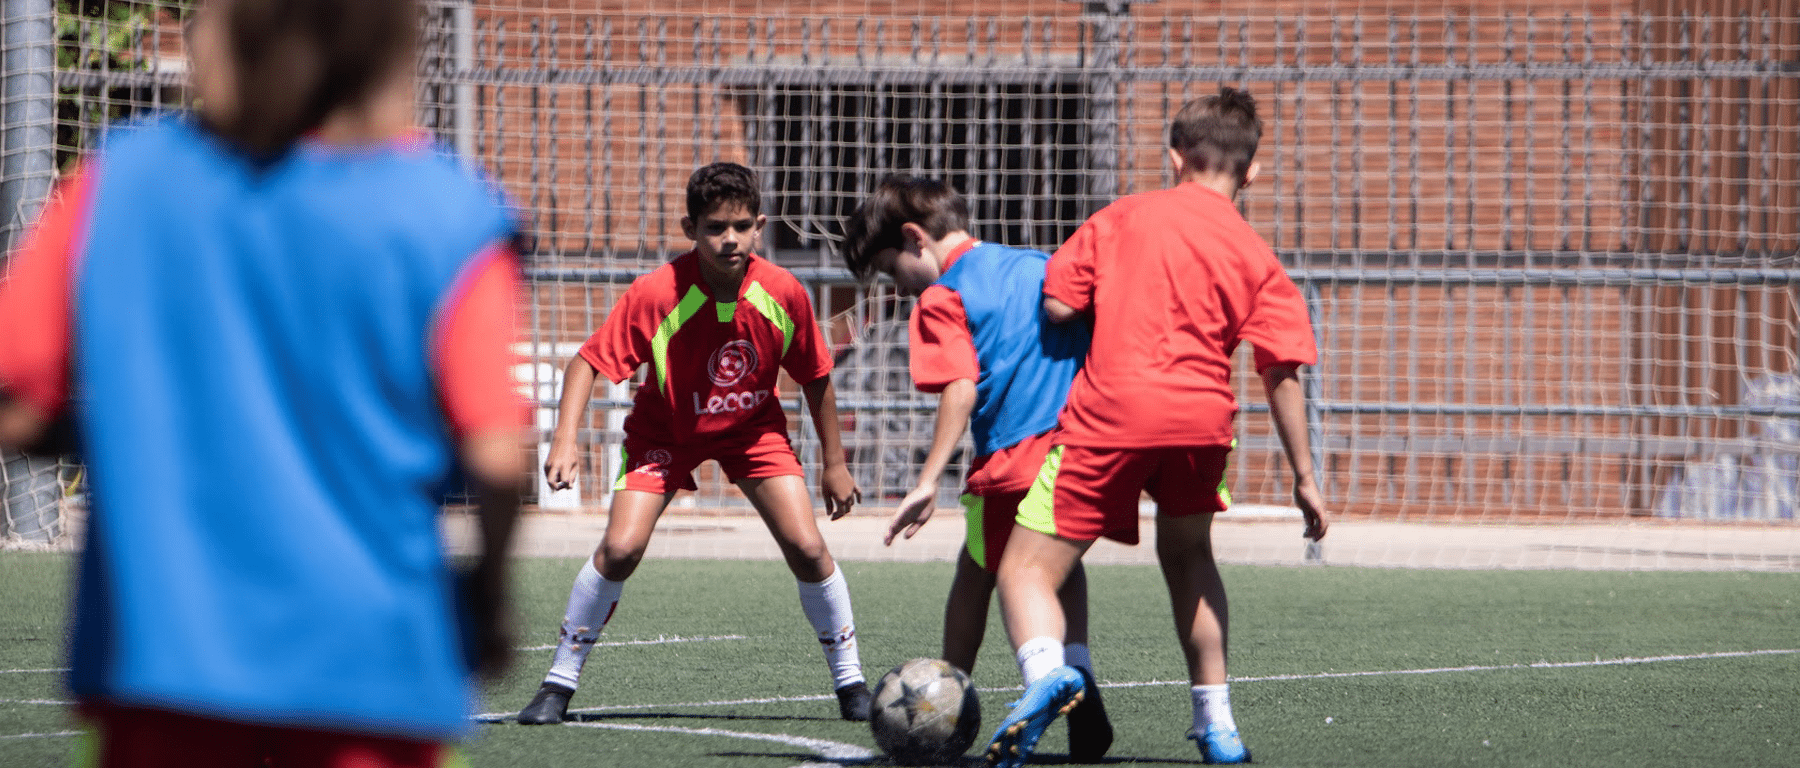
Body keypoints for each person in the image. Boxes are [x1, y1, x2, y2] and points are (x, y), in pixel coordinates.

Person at [0, 0, 527, 765]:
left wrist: (132, 429)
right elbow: (497, 451)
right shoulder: (445, 207)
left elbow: (14, 400)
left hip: (161, 660)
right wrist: (490, 594)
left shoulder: (122, 178)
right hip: (371, 667)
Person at [983, 87, 1330, 768]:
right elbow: (1281, 369)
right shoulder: (1255, 254)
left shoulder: (1121, 218)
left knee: (1024, 568)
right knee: (1191, 559)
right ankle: (1217, 726)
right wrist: (1306, 478)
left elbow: (1056, 303)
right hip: (1202, 422)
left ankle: (1048, 672)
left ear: (1175, 157)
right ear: (1252, 171)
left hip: (1111, 414)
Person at [516, 162, 871, 725]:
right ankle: (558, 684)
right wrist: (564, 440)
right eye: (713, 227)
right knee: (620, 550)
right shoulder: (656, 293)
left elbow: (816, 376)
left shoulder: (785, 293)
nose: (728, 239)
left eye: (739, 226)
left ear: (759, 225)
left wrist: (835, 463)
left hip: (754, 433)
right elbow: (585, 363)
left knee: (807, 548)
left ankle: (852, 684)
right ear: (690, 228)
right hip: (665, 433)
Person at [839, 175, 1112, 762]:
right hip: (1081, 450)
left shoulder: (944, 297)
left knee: (977, 571)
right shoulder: (1042, 264)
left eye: (892, 272)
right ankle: (1080, 675)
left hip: (1014, 460)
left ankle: (948, 696)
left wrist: (927, 477)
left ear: (915, 240)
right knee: (1053, 567)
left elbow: (960, 387)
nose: (900, 288)